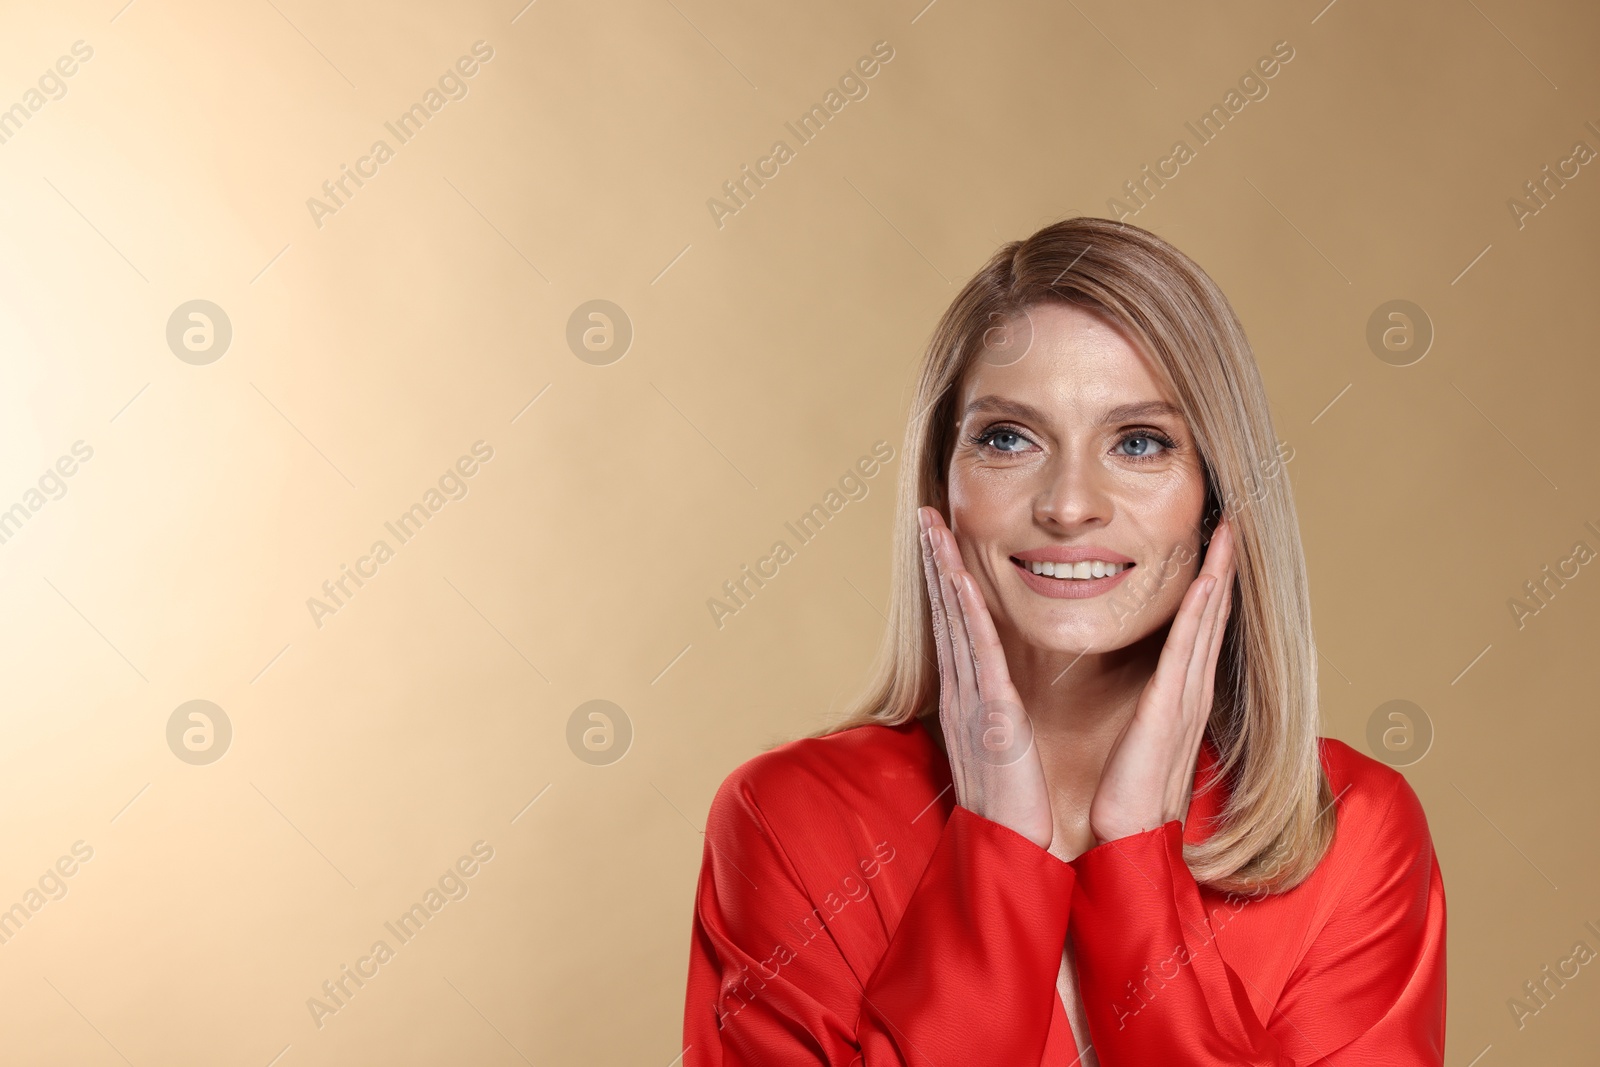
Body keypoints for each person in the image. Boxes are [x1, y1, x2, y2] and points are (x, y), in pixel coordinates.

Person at [680, 217, 1446, 1065]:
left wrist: (1137, 867)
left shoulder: (1349, 830)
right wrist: (996, 857)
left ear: (1218, 499)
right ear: (943, 483)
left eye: (1140, 441)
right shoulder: (791, 822)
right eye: (1009, 438)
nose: (1070, 503)